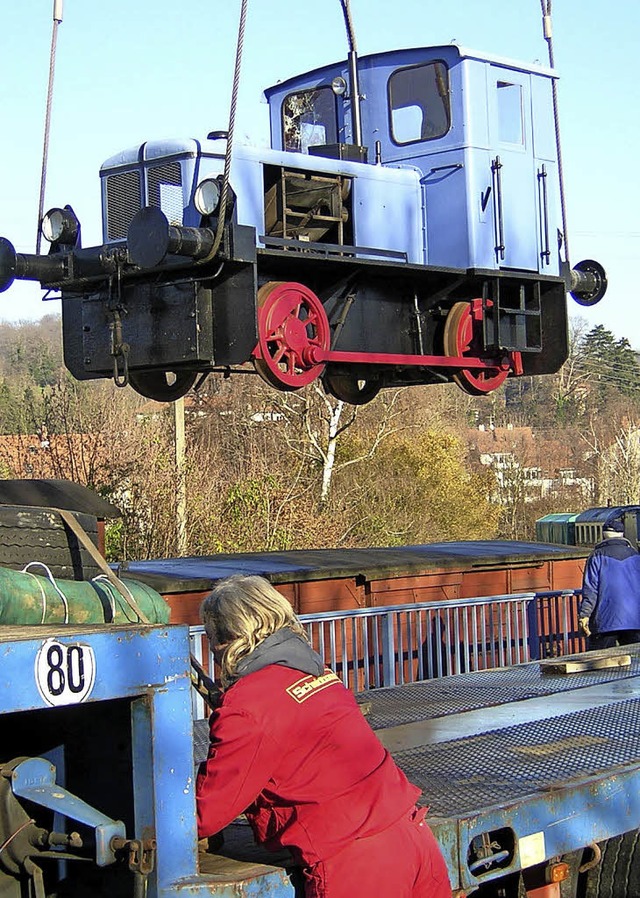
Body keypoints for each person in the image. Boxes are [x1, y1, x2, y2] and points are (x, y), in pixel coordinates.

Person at [196, 573, 452, 898]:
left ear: (229, 637)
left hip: (359, 866)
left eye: (211, 638)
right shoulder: (315, 674)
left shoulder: (247, 707)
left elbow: (207, 813)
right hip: (412, 837)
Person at [579, 519, 640, 649]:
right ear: (622, 534)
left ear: (603, 535)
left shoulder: (596, 556)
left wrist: (584, 615)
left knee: (599, 663)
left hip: (605, 622)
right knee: (636, 664)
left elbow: (591, 590)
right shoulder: (635, 555)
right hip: (634, 621)